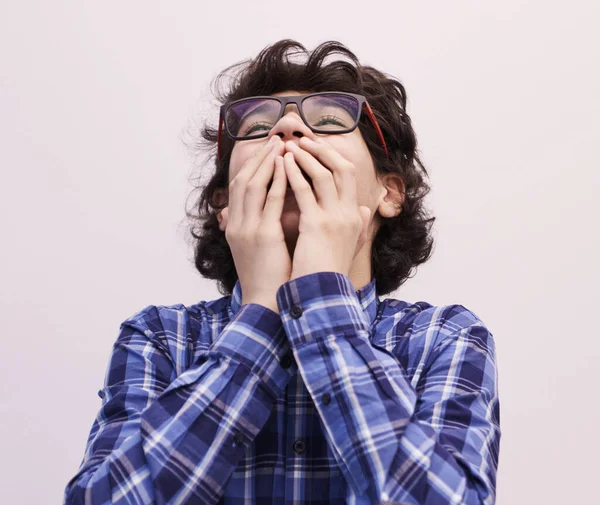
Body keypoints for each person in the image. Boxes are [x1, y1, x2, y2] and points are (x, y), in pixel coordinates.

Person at [63, 39, 501, 505]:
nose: (288, 128)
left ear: (389, 194)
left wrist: (321, 303)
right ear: (225, 203)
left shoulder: (445, 339)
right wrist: (262, 312)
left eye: (330, 121)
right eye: (257, 128)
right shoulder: (160, 338)